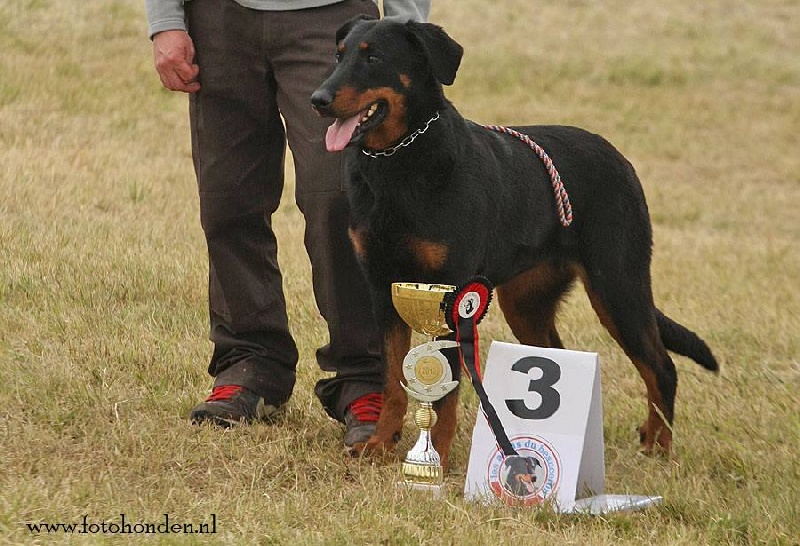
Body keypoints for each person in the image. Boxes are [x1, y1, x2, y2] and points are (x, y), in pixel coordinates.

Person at [145, 0, 431, 449]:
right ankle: (251, 364)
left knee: (338, 201)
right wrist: (165, 23)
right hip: (219, 19)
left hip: (330, 18)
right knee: (227, 201)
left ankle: (364, 377)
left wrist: (405, 26)